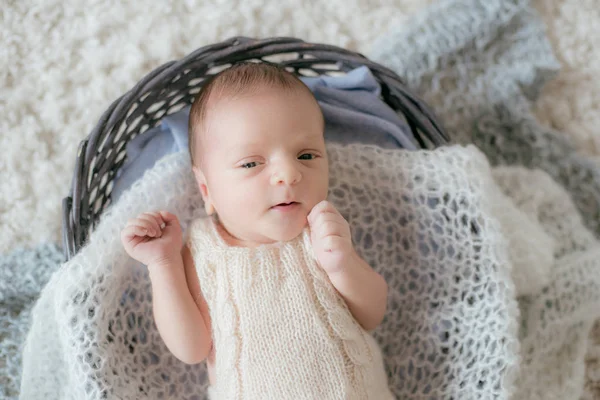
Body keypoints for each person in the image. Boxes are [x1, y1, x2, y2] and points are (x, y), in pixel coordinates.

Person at [121, 62, 393, 399]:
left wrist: (342, 264)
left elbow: (372, 314)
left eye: (307, 155)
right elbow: (191, 348)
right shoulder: (204, 250)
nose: (288, 174)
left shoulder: (322, 233)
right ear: (207, 191)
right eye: (251, 163)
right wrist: (163, 264)